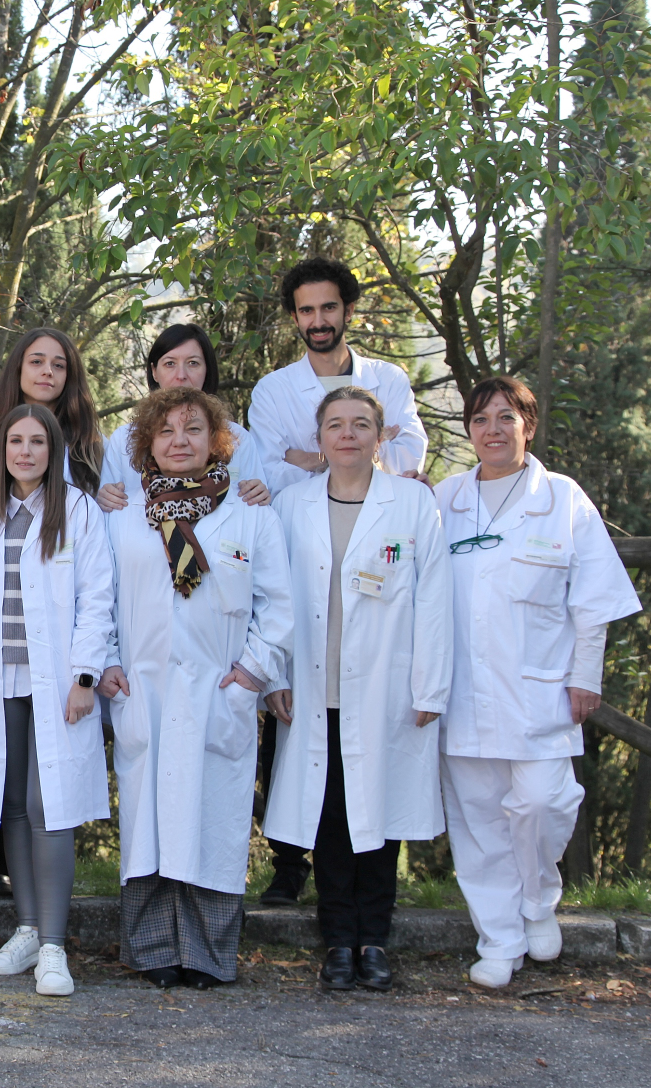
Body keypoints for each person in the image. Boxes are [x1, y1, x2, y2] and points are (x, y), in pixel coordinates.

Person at [434, 377, 640, 990]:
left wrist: (584, 676)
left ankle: (537, 899)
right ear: (468, 430)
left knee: (545, 802)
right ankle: (499, 938)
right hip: (462, 690)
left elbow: (594, 600)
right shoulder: (445, 500)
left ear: (529, 424)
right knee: (478, 820)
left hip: (540, 689)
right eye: (479, 419)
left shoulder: (563, 499)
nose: (492, 430)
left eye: (505, 417)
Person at [261, 387, 452, 993]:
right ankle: (337, 939)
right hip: (314, 690)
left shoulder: (414, 506)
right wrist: (275, 679)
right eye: (336, 425)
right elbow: (274, 600)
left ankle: (376, 938)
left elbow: (436, 602)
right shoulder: (291, 505)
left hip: (388, 689)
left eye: (361, 424)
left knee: (381, 817)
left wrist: (431, 686)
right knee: (330, 817)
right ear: (319, 438)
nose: (348, 434)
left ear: (380, 434)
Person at [101, 386, 292, 989]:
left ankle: (208, 955)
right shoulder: (122, 520)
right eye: (165, 432)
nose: (179, 441)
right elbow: (97, 601)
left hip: (219, 693)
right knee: (150, 826)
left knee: (212, 826)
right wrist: (106, 664)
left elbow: (280, 607)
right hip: (145, 693)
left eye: (192, 430)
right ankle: (155, 952)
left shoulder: (251, 516)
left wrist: (251, 676)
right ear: (146, 445)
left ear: (216, 441)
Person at [0, 404, 114, 997]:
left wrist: (84, 676)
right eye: (14, 443)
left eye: (36, 442)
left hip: (57, 684)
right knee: (13, 804)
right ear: (0, 451)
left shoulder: (77, 512)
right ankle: (26, 929)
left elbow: (97, 597)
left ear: (53, 450)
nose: (24, 452)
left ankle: (54, 944)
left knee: (48, 803)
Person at [246, 258, 428, 495]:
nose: (318, 322)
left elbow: (408, 463)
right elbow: (268, 475)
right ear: (295, 318)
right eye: (307, 311)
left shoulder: (389, 380)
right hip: (302, 526)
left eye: (329, 308)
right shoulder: (272, 391)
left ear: (348, 311)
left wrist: (312, 459)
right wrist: (374, 447)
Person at [97, 324, 269, 509]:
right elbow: (108, 510)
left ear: (207, 369)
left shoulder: (237, 438)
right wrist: (103, 497)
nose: (181, 375)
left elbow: (256, 505)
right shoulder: (124, 439)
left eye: (193, 363)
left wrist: (259, 492)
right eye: (170, 363)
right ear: (154, 371)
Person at [0, 327, 106, 496]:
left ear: (69, 376)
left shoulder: (91, 445)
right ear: (18, 367)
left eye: (58, 365)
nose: (48, 371)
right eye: (36, 362)